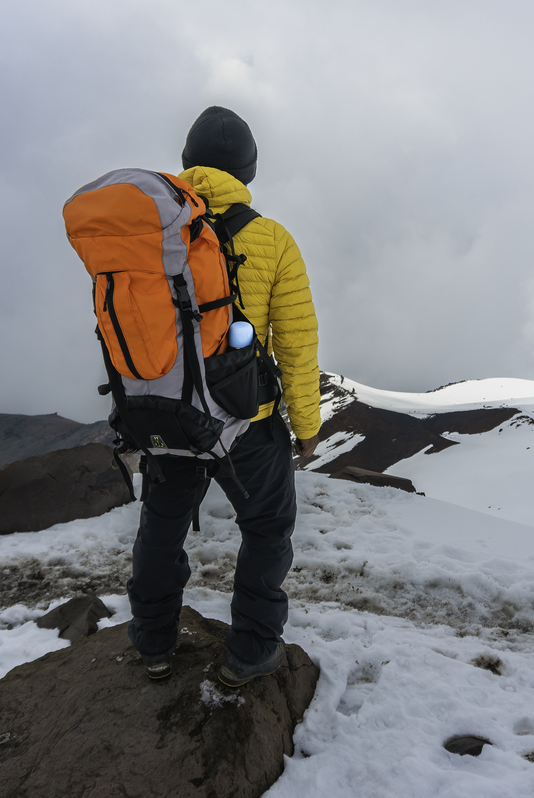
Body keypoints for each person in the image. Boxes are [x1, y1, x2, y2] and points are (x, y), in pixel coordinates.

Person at [125, 106, 321, 687]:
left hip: (167, 416)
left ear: (186, 165)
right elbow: (296, 343)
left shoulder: (152, 232)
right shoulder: (272, 240)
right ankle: (252, 651)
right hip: (245, 423)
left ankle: (154, 644)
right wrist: (306, 426)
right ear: (249, 172)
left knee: (160, 527)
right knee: (265, 528)